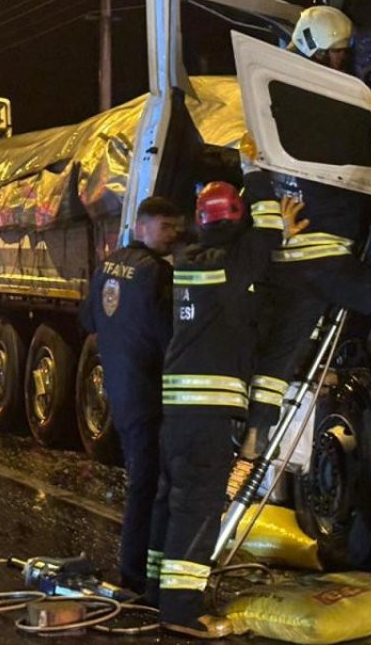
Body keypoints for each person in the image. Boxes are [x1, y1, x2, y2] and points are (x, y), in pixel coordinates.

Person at [242, 5, 371, 465]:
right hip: (329, 259)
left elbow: (255, 175)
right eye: (335, 52)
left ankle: (255, 435)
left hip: (288, 262)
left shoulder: (275, 110)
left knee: (280, 353)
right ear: (313, 49)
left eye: (344, 52)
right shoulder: (330, 110)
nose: (342, 59)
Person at [146, 149, 306, 638]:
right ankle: (181, 611)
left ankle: (155, 591)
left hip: (178, 413)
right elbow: (265, 231)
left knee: (171, 500)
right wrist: (256, 170)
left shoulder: (190, 261)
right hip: (208, 416)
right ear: (237, 220)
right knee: (198, 507)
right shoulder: (234, 266)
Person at [79, 195, 182, 596]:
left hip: (121, 389)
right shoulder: (158, 274)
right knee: (148, 485)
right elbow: (170, 339)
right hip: (149, 391)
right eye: (165, 227)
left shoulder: (108, 265)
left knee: (141, 478)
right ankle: (136, 574)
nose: (173, 235)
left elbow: (89, 319)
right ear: (141, 227)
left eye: (176, 227)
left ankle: (136, 568)